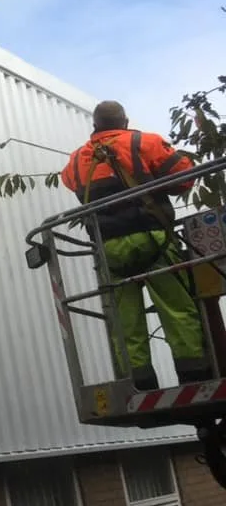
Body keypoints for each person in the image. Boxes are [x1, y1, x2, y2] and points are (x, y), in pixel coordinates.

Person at [60, 100, 211, 391]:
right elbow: (184, 179)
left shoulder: (76, 160)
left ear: (95, 127)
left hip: (108, 250)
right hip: (152, 238)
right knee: (177, 309)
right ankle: (195, 379)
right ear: (125, 121)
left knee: (125, 320)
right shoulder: (145, 142)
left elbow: (72, 185)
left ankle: (140, 385)